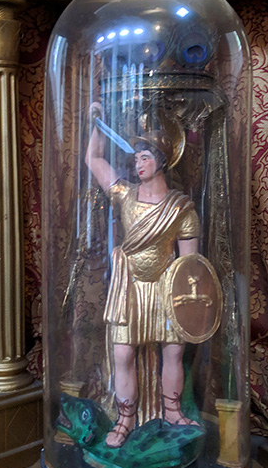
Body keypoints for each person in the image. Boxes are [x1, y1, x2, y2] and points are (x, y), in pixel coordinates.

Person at [85, 103, 199, 447]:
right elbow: (94, 159)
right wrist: (97, 124)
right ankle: (125, 418)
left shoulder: (181, 208)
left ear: (162, 161)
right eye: (136, 157)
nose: (138, 163)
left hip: (166, 285)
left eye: (145, 156)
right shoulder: (125, 195)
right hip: (129, 285)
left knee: (174, 351)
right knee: (123, 354)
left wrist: (188, 303)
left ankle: (172, 411)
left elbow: (190, 265)